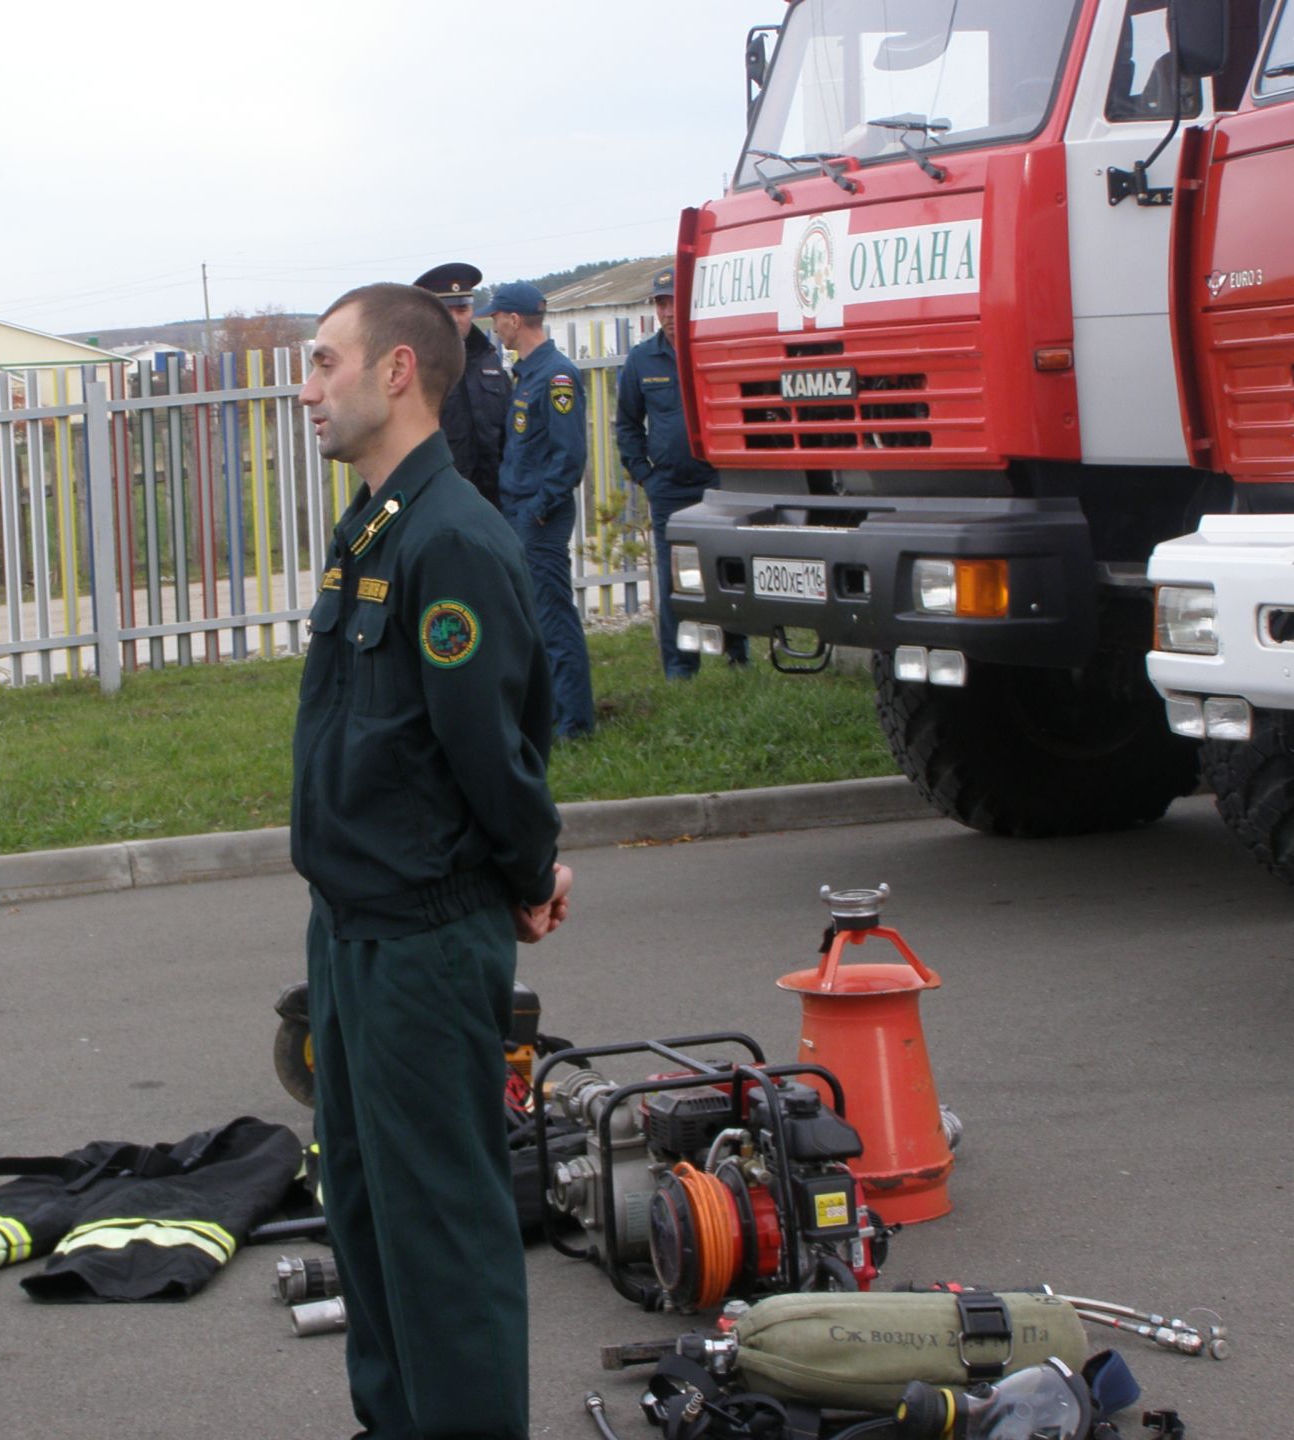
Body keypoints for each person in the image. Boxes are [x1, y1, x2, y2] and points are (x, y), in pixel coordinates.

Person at [293, 282, 574, 1440]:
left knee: (441, 1227)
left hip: (421, 931)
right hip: (352, 924)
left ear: (396, 372)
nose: (305, 388)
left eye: (323, 363)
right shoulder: (372, 524)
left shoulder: (454, 537)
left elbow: (491, 745)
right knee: (361, 1209)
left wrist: (529, 870)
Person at [614, 266, 749, 677]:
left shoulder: (712, 349)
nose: (669, 311)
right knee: (674, 579)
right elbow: (627, 425)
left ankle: (737, 657)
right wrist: (646, 476)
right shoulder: (642, 360)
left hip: (717, 484)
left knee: (727, 570)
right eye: (661, 303)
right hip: (668, 487)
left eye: (674, 300)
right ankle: (680, 668)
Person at [479, 280, 597, 739]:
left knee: (552, 616)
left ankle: (574, 723)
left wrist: (541, 509)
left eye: (497, 318)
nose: (495, 327)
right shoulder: (526, 372)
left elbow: (569, 456)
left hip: (537, 516)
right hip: (519, 509)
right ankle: (551, 714)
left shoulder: (556, 375)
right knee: (533, 619)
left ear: (513, 319)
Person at [412, 261, 510, 508]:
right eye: (447, 310)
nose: (456, 318)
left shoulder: (489, 360)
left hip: (495, 505)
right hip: (439, 505)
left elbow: (509, 433)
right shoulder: (414, 368)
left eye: (463, 309)